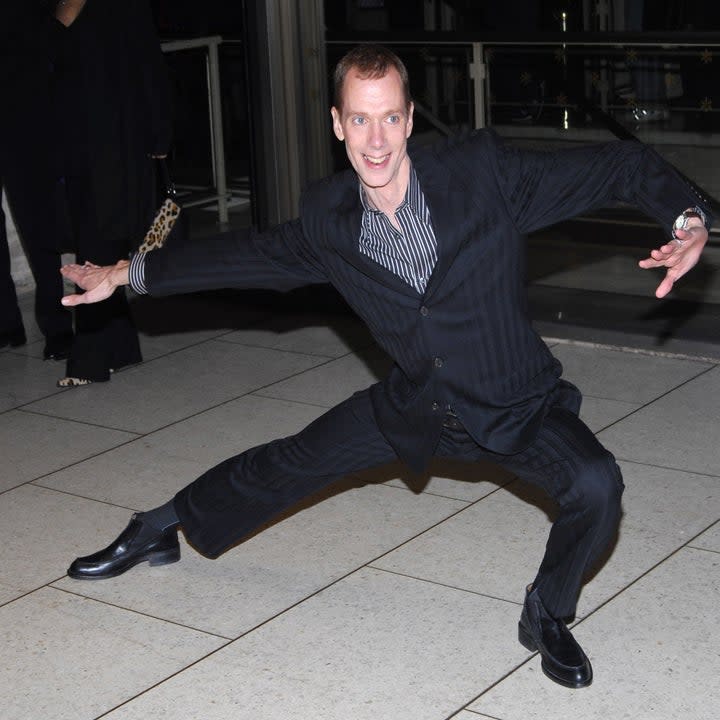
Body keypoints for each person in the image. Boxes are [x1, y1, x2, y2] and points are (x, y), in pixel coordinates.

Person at [60, 45, 711, 689]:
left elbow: (620, 165)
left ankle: (546, 614)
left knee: (597, 485)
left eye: (391, 118)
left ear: (410, 118)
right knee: (292, 460)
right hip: (418, 402)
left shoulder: (481, 176)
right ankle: (160, 525)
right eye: (361, 120)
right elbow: (247, 253)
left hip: (514, 399)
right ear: (339, 124)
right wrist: (125, 273)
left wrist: (688, 221)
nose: (377, 140)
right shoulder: (329, 220)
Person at [51, 0, 172, 386]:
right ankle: (121, 346)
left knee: (99, 238)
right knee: (99, 236)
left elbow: (147, 65)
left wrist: (159, 135)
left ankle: (89, 359)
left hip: (117, 140)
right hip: (72, 141)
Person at [0, 1, 73, 358]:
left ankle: (56, 323)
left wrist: (53, 34)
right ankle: (5, 321)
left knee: (36, 218)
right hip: (24, 92)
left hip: (26, 98)